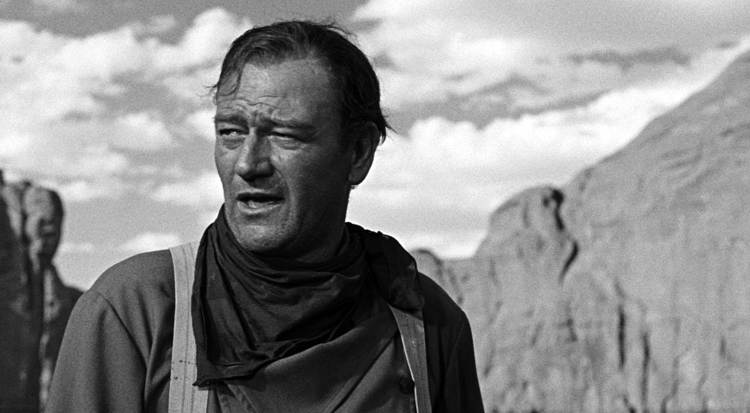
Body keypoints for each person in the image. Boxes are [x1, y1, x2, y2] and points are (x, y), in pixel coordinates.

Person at [47, 20, 484, 413]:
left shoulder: (426, 326)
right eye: (230, 132)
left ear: (358, 153)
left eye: (285, 135)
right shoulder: (136, 311)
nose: (248, 163)